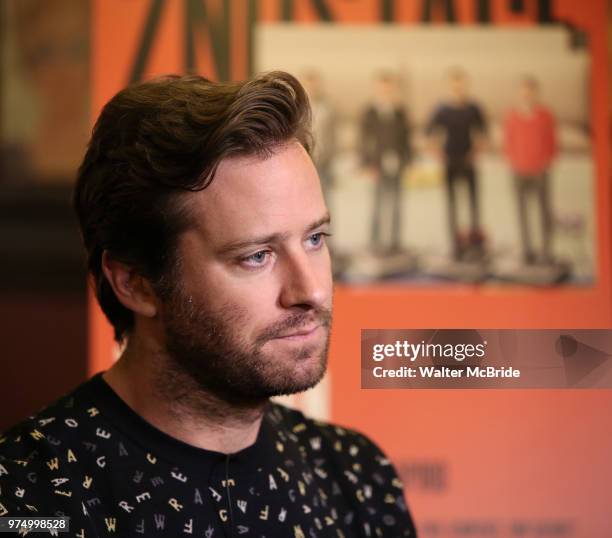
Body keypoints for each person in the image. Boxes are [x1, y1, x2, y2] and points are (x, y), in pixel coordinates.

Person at [0, 72, 417, 537]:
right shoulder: (28, 498)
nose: (312, 291)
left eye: (316, 239)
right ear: (135, 283)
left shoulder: (356, 480)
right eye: (257, 256)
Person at [426, 69, 487, 261]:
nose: (458, 90)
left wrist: (476, 151)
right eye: (454, 87)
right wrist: (437, 152)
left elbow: (482, 133)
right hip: (450, 160)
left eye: (461, 86)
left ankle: (475, 241)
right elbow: (429, 133)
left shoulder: (473, 108)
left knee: (473, 203)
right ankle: (455, 243)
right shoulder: (441, 109)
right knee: (452, 204)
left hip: (468, 160)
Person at [503, 76, 557, 265]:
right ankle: (527, 249)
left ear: (536, 93)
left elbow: (552, 141)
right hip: (519, 169)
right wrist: (512, 161)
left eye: (530, 91)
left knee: (543, 211)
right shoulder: (512, 116)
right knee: (522, 212)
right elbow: (508, 142)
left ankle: (546, 249)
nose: (527, 95)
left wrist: (547, 160)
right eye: (523, 91)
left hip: (539, 170)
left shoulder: (545, 115)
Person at [360, 72, 411, 255]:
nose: (386, 91)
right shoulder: (370, 112)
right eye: (382, 88)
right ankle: (375, 243)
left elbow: (406, 139)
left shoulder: (400, 112)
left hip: (396, 164)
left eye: (389, 88)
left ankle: (395, 243)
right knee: (377, 204)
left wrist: (406, 162)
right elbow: (365, 141)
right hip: (378, 165)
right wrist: (368, 164)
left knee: (396, 203)